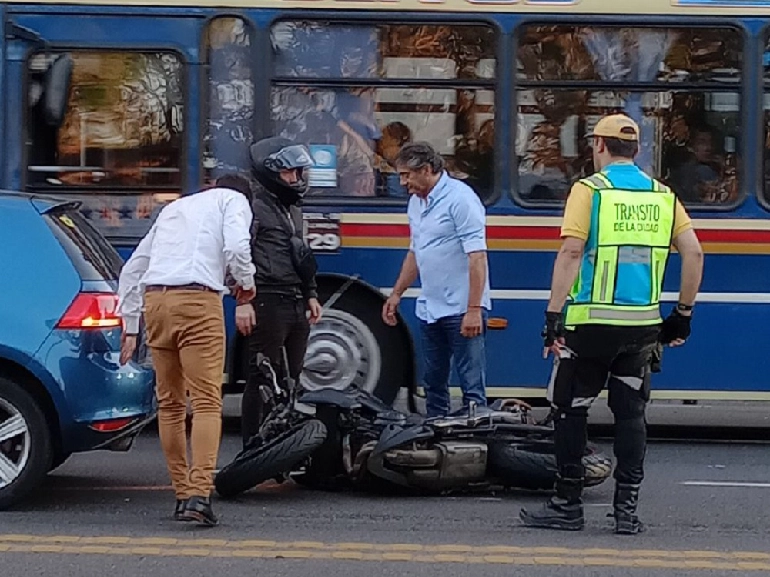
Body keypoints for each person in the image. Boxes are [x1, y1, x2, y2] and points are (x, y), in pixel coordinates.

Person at [519, 114, 704, 534]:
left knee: (570, 408)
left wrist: (552, 315)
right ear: (637, 150)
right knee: (630, 413)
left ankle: (567, 505)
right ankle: (627, 512)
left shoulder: (588, 191)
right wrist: (683, 315)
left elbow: (570, 252)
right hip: (640, 328)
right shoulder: (663, 195)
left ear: (598, 147)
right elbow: (694, 254)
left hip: (589, 325)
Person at [117, 174, 256, 527]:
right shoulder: (234, 201)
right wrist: (246, 283)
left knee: (170, 404)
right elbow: (237, 248)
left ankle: (181, 494)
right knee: (207, 401)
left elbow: (133, 269)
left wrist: (131, 325)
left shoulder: (174, 208)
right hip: (197, 301)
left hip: (156, 302)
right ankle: (199, 494)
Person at [382, 142, 491, 418]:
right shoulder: (416, 203)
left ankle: (474, 445)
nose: (403, 182)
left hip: (461, 307)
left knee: (471, 385)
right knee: (433, 382)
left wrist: (474, 310)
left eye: (407, 175)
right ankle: (436, 434)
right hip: (431, 308)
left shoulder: (461, 199)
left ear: (427, 169)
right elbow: (415, 252)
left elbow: (477, 257)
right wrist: (396, 294)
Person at [238, 137, 323, 446]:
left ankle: (281, 443)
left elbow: (301, 255)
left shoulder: (292, 210)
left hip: (295, 299)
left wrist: (311, 293)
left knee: (291, 377)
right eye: (289, 173)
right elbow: (239, 253)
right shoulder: (254, 208)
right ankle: (252, 446)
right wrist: (243, 299)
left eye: (298, 172)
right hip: (267, 299)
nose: (296, 179)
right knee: (262, 374)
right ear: (271, 173)